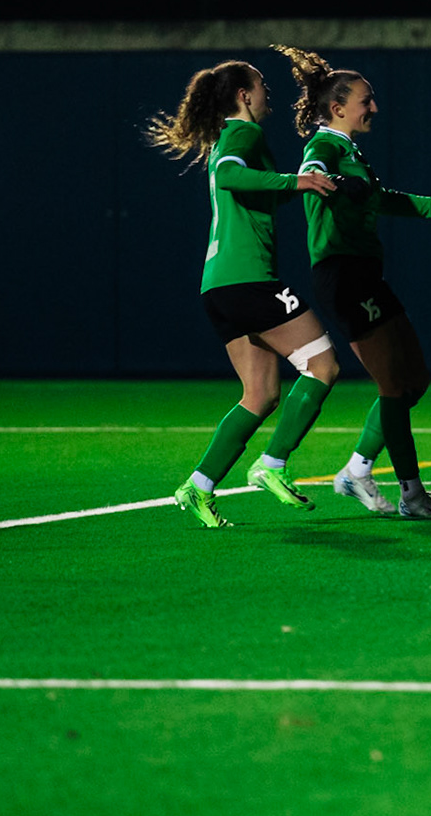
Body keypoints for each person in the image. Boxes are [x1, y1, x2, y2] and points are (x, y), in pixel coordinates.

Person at [273, 44, 431, 520]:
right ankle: (412, 495)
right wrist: (333, 181)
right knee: (392, 386)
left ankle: (357, 469)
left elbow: (378, 198)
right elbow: (312, 171)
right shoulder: (324, 145)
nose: (374, 108)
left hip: (366, 274)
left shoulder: (350, 149)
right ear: (337, 107)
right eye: (366, 100)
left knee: (415, 381)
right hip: (343, 277)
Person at [145, 59, 344, 528]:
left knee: (259, 394)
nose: (267, 91)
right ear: (243, 95)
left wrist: (303, 185)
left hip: (217, 285)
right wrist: (299, 179)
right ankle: (271, 465)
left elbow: (259, 192)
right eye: (261, 85)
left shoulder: (228, 138)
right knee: (323, 365)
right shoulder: (244, 134)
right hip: (249, 279)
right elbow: (232, 176)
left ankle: (197, 486)